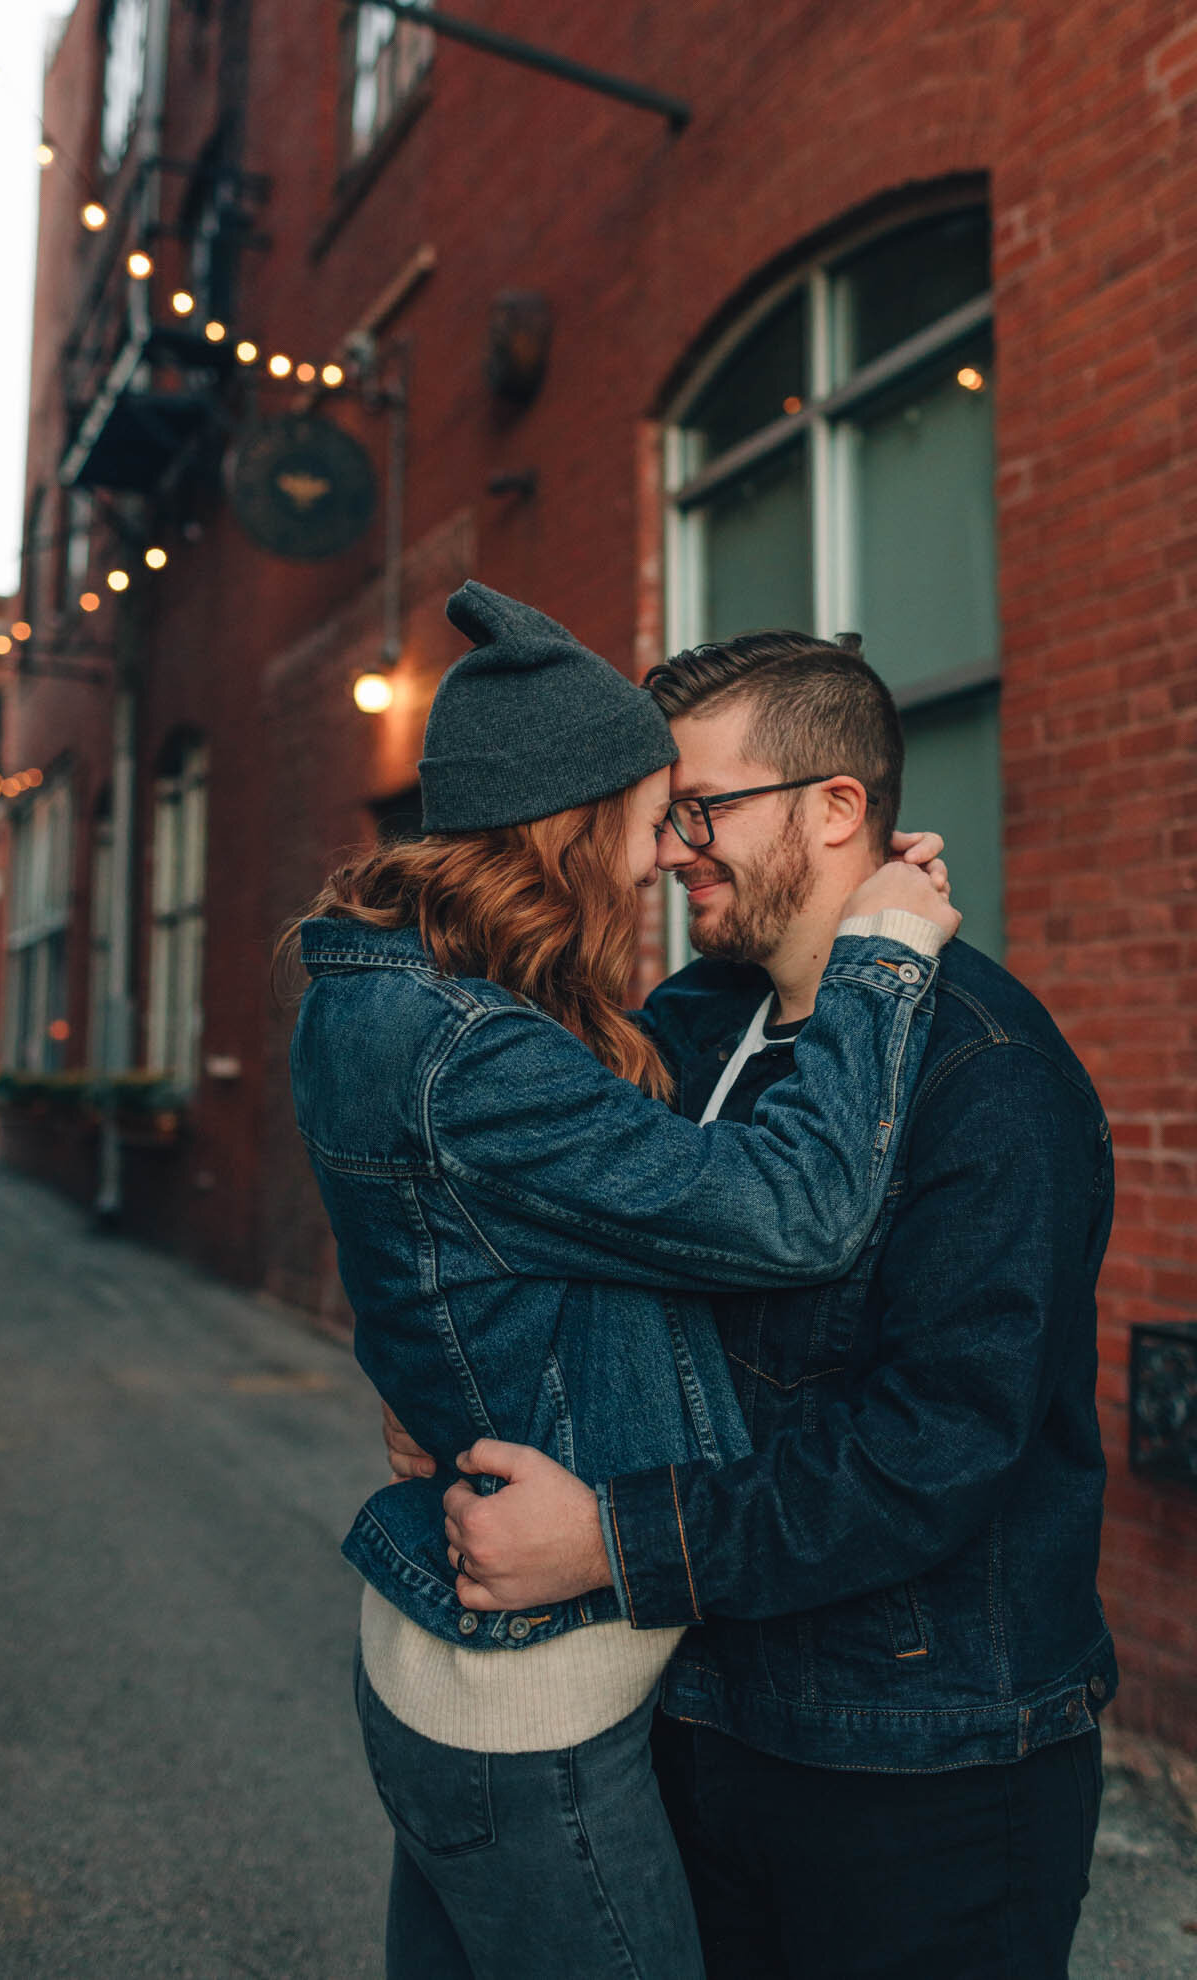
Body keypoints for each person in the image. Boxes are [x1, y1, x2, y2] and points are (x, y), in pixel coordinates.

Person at [286, 583, 959, 1980]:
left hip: (461, 1669)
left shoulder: (381, 997)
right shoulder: (472, 1052)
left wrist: (430, 1378)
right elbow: (796, 1213)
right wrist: (881, 960)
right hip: (528, 1693)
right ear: (572, 817)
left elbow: (432, 1250)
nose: (667, 856)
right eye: (657, 816)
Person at [429, 630, 1117, 1980]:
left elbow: (935, 1449)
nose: (674, 845)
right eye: (662, 813)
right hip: (703, 1715)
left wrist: (608, 1543)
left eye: (704, 807)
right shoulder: (694, 1026)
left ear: (837, 808)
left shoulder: (987, 1075)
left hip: (921, 1757)